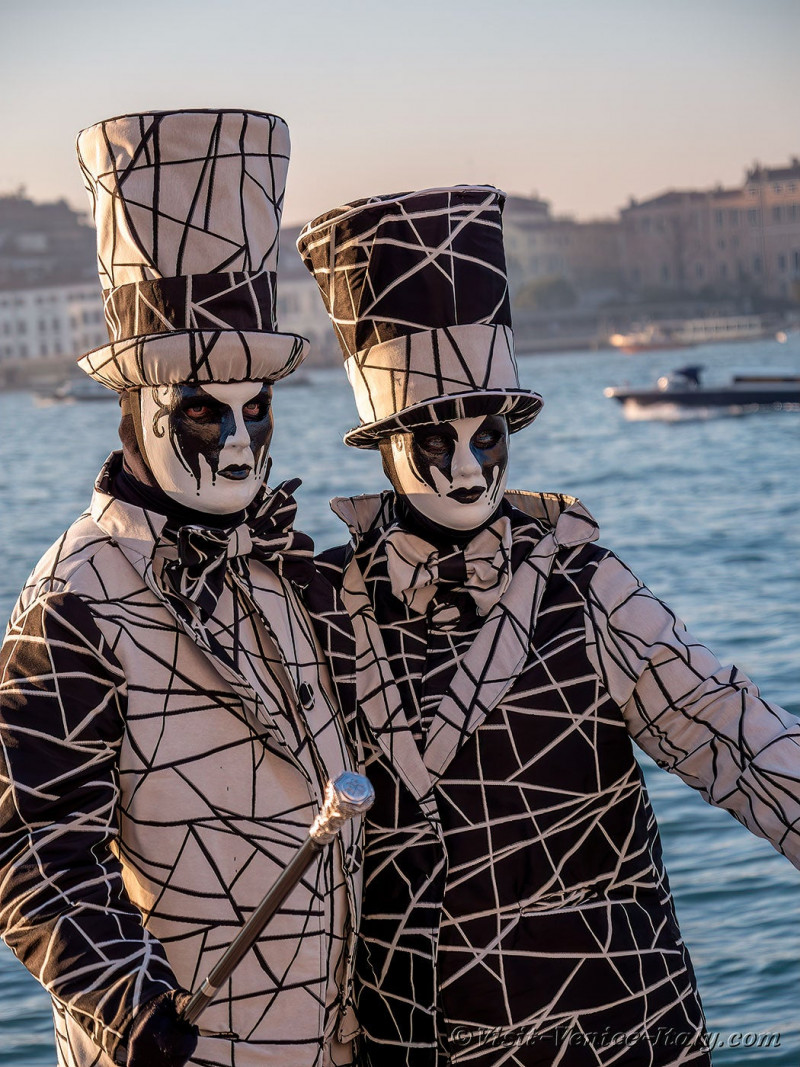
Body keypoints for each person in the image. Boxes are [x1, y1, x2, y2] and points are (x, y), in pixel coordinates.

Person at [296, 186, 800, 1066]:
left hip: (618, 1025)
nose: (466, 467)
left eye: (486, 435)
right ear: (384, 446)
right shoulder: (320, 609)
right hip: (415, 1038)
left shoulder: (587, 586)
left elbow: (731, 729)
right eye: (433, 440)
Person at [0, 110, 361, 1067]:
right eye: (204, 412)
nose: (241, 442)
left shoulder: (288, 566)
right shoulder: (74, 595)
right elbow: (30, 850)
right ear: (141, 408)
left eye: (259, 409)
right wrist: (134, 1009)